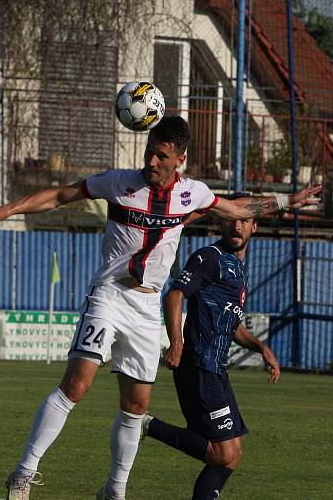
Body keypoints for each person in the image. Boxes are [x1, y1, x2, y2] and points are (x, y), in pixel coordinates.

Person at [0, 115, 320, 500]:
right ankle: (23, 473)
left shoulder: (192, 194)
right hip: (109, 295)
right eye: (150, 152)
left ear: (179, 160)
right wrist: (3, 211)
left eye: (161, 156)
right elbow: (59, 195)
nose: (151, 162)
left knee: (136, 405)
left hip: (146, 307)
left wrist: (286, 201)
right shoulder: (119, 182)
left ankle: (114, 491)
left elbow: (236, 209)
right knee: (77, 385)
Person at [141, 211, 279, 500]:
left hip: (216, 368)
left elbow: (233, 325)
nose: (236, 225)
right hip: (198, 364)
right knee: (222, 452)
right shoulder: (210, 257)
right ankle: (144, 424)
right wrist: (176, 342)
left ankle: (145, 425)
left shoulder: (239, 270)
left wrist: (260, 346)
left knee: (233, 453)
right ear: (221, 223)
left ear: (255, 226)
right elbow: (174, 296)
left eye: (243, 221)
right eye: (231, 219)